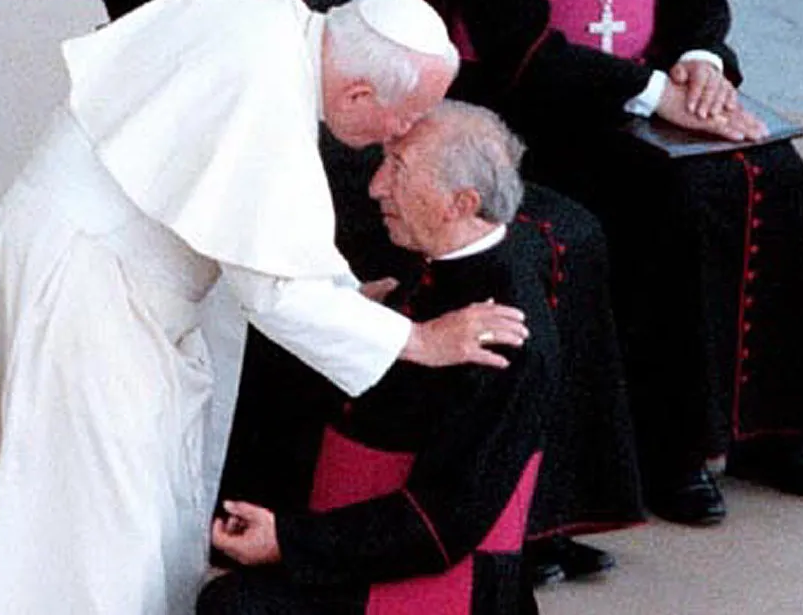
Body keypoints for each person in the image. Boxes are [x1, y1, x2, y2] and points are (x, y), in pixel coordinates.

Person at [0, 0, 536, 615]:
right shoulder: (265, 86)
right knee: (96, 525)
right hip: (85, 293)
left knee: (139, 508)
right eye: (402, 123)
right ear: (359, 94)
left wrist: (342, 298)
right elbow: (275, 289)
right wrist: (419, 340)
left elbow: (263, 237)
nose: (400, 134)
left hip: (112, 282)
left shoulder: (270, 22)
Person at [105, 0, 644, 586]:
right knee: (519, 244)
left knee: (568, 233)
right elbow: (192, 81)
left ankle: (522, 514)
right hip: (284, 164)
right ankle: (405, 520)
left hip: (353, 133)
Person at [439, 0, 803, 526]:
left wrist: (702, 59)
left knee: (776, 173)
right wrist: (655, 93)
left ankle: (767, 432)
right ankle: (669, 451)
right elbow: (513, 44)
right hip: (540, 108)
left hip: (649, 94)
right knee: (670, 195)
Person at [197, 100, 550, 615]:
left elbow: (442, 521)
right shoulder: (427, 262)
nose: (375, 186)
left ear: (461, 202)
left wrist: (289, 541)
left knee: (231, 606)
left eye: (398, 170)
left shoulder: (502, 333)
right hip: (361, 529)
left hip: (432, 572)